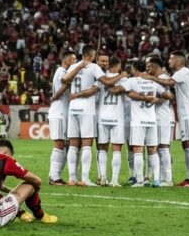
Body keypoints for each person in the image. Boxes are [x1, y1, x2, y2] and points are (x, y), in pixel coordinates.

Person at [63, 47, 121, 186]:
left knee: (73, 144)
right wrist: (122, 75)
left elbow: (64, 79)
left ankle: (72, 178)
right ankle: (85, 178)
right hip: (86, 109)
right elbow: (106, 83)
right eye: (95, 56)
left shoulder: (74, 66)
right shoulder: (94, 67)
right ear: (91, 55)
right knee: (87, 144)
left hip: (73, 108)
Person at [144, 51, 189, 187]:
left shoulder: (184, 71)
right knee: (186, 145)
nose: (169, 61)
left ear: (178, 61)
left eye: (171, 59)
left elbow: (169, 82)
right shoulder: (181, 73)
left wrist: (150, 78)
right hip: (184, 114)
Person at [126, 59, 168, 187]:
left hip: (138, 121)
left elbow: (120, 90)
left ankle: (139, 181)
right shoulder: (153, 81)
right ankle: (155, 180)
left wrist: (135, 95)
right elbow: (169, 96)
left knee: (138, 150)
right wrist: (156, 99)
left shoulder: (131, 81)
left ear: (134, 69)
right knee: (152, 150)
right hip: (151, 120)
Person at [96, 57, 130, 187]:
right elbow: (121, 90)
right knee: (117, 149)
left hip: (103, 117)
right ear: (118, 65)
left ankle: (103, 177)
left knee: (102, 148)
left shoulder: (101, 77)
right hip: (117, 118)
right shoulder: (124, 78)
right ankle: (114, 180)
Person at [47, 50, 76, 185]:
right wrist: (55, 97)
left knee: (64, 144)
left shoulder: (63, 72)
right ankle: (54, 177)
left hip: (63, 112)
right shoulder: (61, 72)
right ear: (66, 60)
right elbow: (61, 90)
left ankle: (55, 175)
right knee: (59, 144)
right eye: (73, 60)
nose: (75, 62)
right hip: (58, 112)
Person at [146, 55, 175, 186]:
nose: (146, 69)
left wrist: (151, 100)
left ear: (154, 67)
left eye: (148, 66)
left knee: (163, 147)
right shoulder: (158, 79)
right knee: (155, 148)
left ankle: (167, 178)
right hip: (156, 117)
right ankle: (153, 176)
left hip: (163, 117)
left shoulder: (163, 79)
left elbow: (166, 97)